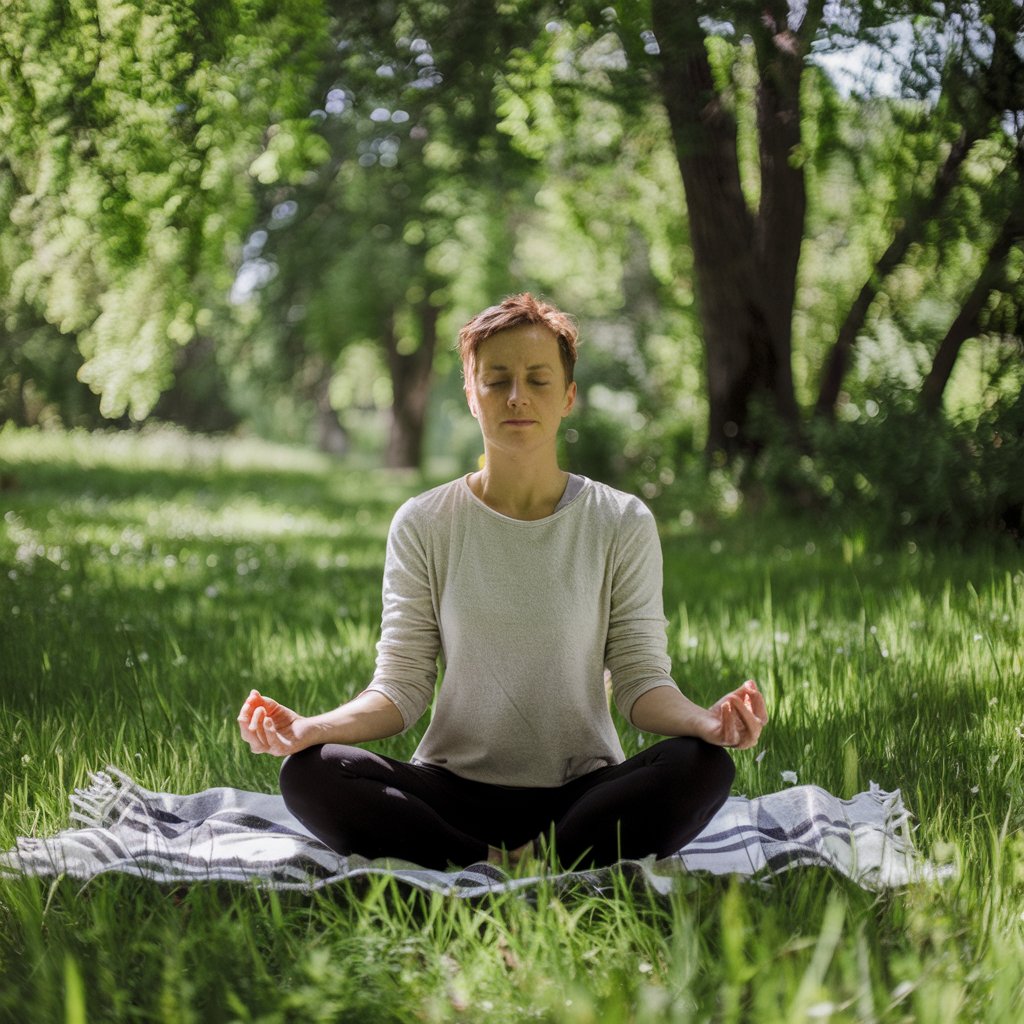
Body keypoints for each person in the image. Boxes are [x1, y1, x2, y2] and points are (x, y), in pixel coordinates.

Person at [237, 293, 767, 871]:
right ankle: (495, 860)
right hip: (451, 792)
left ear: (568, 396)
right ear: (471, 394)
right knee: (310, 772)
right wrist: (312, 728)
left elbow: (641, 685)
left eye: (538, 380)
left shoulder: (620, 521)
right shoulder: (424, 523)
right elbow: (401, 688)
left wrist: (706, 722)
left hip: (582, 796)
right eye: (497, 380)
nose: (517, 397)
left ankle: (521, 859)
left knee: (704, 766)